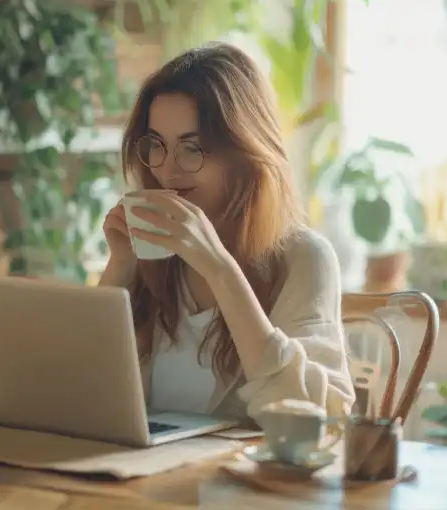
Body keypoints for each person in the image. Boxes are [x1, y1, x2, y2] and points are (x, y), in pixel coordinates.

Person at [99, 42, 354, 427]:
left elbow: (319, 417)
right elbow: (82, 392)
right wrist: (119, 267)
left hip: (240, 483)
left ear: (246, 152)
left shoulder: (303, 257)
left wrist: (219, 268)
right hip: (140, 478)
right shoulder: (151, 256)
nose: (169, 169)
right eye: (158, 146)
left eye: (193, 148)